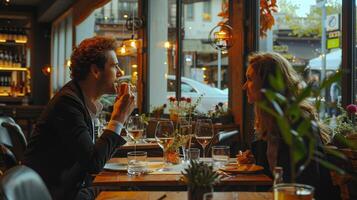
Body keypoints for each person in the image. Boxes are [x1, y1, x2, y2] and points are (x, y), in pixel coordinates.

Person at [23, 36, 135, 200]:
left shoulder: (80, 99)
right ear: (95, 71)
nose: (120, 72)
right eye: (114, 66)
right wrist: (118, 118)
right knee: (130, 191)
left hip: (73, 187)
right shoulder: (67, 103)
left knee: (130, 186)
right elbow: (93, 163)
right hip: (59, 193)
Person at [242, 52, 340, 200]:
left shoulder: (299, 123)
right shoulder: (269, 122)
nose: (244, 86)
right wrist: (254, 158)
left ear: (267, 84)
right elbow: (276, 172)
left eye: (249, 79)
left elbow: (306, 182)